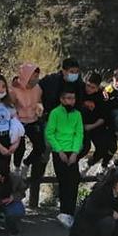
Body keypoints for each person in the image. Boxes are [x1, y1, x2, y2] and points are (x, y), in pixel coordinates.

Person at [45, 90, 84, 228]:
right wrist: (59, 150)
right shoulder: (55, 113)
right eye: (68, 98)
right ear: (62, 99)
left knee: (73, 182)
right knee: (63, 182)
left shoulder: (77, 114)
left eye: (73, 98)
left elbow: (79, 134)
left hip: (72, 151)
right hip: (59, 151)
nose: (71, 101)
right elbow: (50, 133)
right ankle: (63, 212)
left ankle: (70, 213)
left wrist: (74, 153)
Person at [10, 63, 45, 179]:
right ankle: (17, 168)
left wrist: (39, 107)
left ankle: (26, 163)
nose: (35, 79)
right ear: (26, 76)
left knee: (41, 147)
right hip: (18, 120)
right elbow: (10, 105)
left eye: (37, 76)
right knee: (20, 146)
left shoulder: (38, 88)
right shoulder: (14, 89)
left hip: (33, 119)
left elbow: (39, 101)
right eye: (33, 76)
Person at [79, 72, 115, 172]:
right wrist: (83, 103)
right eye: (88, 86)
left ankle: (90, 164)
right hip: (79, 124)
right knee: (84, 147)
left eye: (93, 87)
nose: (89, 89)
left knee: (104, 147)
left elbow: (104, 117)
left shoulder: (102, 96)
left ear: (97, 87)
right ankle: (71, 165)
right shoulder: (79, 90)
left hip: (95, 125)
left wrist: (91, 126)